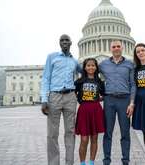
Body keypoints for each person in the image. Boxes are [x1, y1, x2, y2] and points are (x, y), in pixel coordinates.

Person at [41, 34, 81, 165]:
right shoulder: (51, 57)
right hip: (54, 96)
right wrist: (44, 99)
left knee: (70, 132)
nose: (64, 42)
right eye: (62, 40)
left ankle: (69, 162)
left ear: (71, 43)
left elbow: (88, 71)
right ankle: (54, 163)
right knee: (52, 134)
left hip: (70, 97)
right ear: (59, 43)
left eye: (66, 40)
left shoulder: (75, 61)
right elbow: (46, 78)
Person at [99, 40, 136, 165]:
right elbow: (90, 75)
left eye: (118, 46)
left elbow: (133, 85)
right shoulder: (103, 64)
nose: (116, 48)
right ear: (111, 49)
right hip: (109, 100)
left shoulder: (130, 64)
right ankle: (106, 161)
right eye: (113, 46)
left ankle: (125, 161)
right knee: (107, 132)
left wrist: (132, 103)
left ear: (122, 47)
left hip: (124, 100)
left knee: (125, 132)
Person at [74, 58, 105, 165]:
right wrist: (80, 100)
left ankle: (91, 162)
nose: (91, 67)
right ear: (85, 67)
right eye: (88, 65)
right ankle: (82, 163)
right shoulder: (79, 81)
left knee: (94, 138)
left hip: (96, 110)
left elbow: (104, 94)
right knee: (84, 139)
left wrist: (98, 99)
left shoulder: (99, 82)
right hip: (84, 110)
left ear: (96, 67)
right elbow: (74, 94)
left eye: (93, 65)